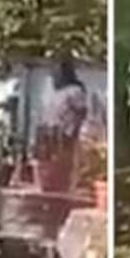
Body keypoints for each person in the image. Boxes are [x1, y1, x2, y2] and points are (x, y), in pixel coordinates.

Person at [32, 57, 89, 192]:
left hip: (65, 134)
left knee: (63, 164)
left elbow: (81, 112)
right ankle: (49, 185)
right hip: (50, 133)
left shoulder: (74, 91)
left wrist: (73, 130)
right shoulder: (55, 91)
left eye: (56, 72)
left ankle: (63, 187)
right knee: (48, 164)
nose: (54, 76)